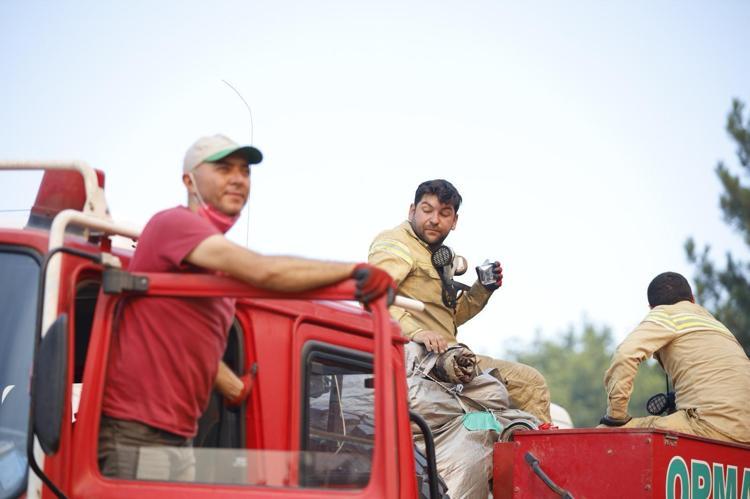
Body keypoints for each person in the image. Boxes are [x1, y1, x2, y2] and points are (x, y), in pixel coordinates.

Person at [99, 134, 392, 479]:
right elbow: (264, 271)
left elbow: (181, 335)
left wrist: (233, 387)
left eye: (245, 171)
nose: (238, 179)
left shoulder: (209, 261)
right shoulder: (174, 225)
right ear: (189, 180)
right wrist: (353, 273)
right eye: (224, 169)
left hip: (178, 434)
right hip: (138, 431)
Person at [368, 179, 552, 423]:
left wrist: (482, 289)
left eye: (444, 214)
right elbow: (374, 296)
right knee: (529, 384)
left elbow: (447, 320)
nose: (434, 219)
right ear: (412, 211)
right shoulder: (396, 242)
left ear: (454, 221)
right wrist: (417, 332)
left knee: (525, 390)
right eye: (427, 210)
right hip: (422, 359)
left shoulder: (434, 253)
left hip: (449, 353)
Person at [600, 271, 750, 444]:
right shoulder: (716, 324)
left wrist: (616, 417)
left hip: (709, 425)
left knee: (605, 433)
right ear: (692, 299)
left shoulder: (665, 314)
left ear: (651, 308)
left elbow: (625, 355)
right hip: (745, 431)